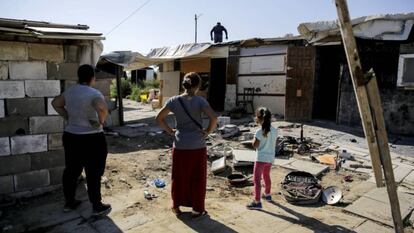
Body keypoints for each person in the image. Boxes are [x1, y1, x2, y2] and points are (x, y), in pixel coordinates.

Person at [52, 64, 111, 216]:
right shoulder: (94, 93)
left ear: (79, 77)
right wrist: (101, 121)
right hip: (92, 138)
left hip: (71, 136)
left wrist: (68, 117)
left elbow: (55, 103)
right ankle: (97, 206)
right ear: (93, 78)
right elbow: (103, 108)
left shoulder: (70, 92)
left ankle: (70, 202)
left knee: (71, 170)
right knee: (93, 172)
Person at [156, 72, 217, 218]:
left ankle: (176, 206)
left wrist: (171, 132)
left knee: (179, 177)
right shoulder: (201, 101)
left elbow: (159, 118)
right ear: (197, 86)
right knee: (198, 178)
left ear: (184, 85)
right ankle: (197, 209)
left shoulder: (173, 101)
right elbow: (214, 118)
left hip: (180, 145)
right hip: (197, 145)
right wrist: (207, 132)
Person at [246, 107, 277, 210]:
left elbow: (255, 145)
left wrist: (252, 140)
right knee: (266, 176)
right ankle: (267, 195)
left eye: (256, 116)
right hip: (270, 158)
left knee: (257, 180)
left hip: (260, 159)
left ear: (259, 118)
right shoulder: (275, 130)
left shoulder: (259, 132)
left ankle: (257, 201)